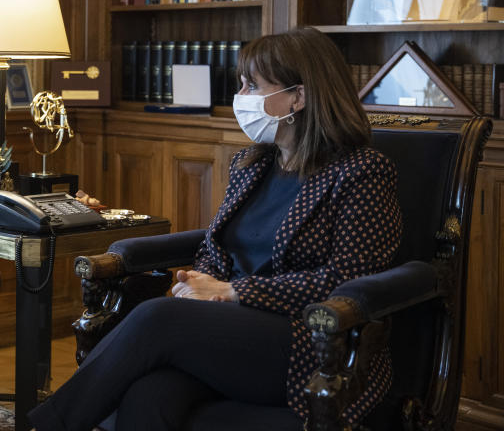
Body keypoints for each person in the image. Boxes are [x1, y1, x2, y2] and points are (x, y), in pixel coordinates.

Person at [29, 27, 403, 431]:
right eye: (241, 83)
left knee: (159, 318)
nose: (241, 96)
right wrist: (200, 281)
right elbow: (216, 244)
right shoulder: (250, 164)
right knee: (149, 394)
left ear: (299, 96)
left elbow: (349, 278)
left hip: (306, 342)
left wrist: (234, 291)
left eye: (253, 85)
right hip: (225, 329)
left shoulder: (362, 172)